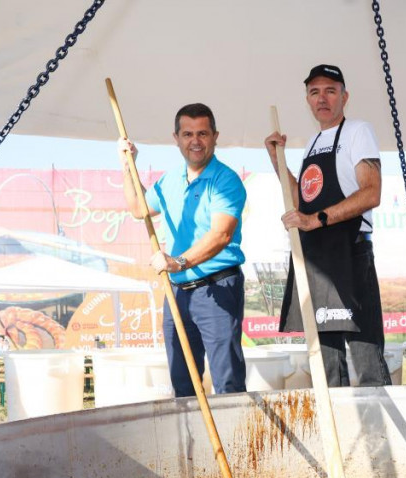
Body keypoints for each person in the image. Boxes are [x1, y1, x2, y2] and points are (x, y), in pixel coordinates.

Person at [265, 64, 391, 387]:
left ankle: (377, 434)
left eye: (330, 90)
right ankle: (341, 434)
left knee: (366, 362)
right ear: (307, 100)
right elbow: (300, 199)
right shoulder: (311, 142)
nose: (322, 98)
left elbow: (371, 192)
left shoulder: (358, 131)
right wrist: (277, 160)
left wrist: (315, 220)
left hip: (350, 255)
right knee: (326, 366)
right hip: (318, 260)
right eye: (315, 92)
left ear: (344, 97)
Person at [118, 103, 248, 397]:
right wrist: (128, 167)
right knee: (182, 381)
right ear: (176, 138)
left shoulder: (225, 180)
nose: (195, 141)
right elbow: (139, 208)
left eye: (202, 133)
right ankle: (196, 444)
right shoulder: (170, 179)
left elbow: (222, 234)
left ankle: (232, 443)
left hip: (217, 289)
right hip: (177, 293)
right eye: (187, 133)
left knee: (227, 381)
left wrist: (179, 261)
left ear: (215, 136)